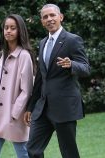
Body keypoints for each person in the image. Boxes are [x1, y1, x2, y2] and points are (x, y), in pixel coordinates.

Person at [24, 4, 90, 158]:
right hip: (42, 109)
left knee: (69, 153)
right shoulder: (42, 43)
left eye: (52, 15)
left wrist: (72, 64)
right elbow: (41, 78)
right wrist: (30, 107)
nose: (49, 19)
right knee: (33, 149)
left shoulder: (72, 40)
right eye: (45, 17)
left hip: (64, 107)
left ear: (61, 17)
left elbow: (86, 68)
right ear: (42, 21)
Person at [0, 14, 35, 158]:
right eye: (6, 28)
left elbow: (27, 89)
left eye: (13, 28)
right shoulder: (4, 54)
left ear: (20, 31)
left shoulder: (24, 56)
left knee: (24, 154)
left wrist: (14, 112)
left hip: (14, 115)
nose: (8, 31)